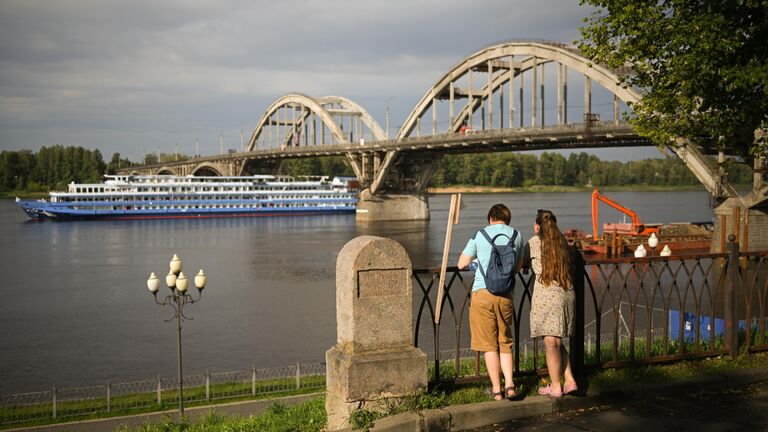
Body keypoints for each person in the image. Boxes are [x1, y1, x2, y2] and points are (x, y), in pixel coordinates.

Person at [457, 204, 523, 400]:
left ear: (490, 218)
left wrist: (476, 264)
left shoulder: (479, 234)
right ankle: (510, 385)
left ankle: (496, 390)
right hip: (505, 295)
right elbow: (517, 267)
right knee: (505, 341)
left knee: (488, 344)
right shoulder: (517, 235)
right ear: (507, 219)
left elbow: (461, 264)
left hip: (482, 293)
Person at [527, 209, 577, 397]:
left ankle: (556, 386)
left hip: (547, 297)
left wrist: (526, 266)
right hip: (567, 294)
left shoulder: (533, 242)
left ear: (537, 226)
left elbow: (521, 262)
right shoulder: (563, 242)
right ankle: (570, 381)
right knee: (557, 340)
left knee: (551, 343)